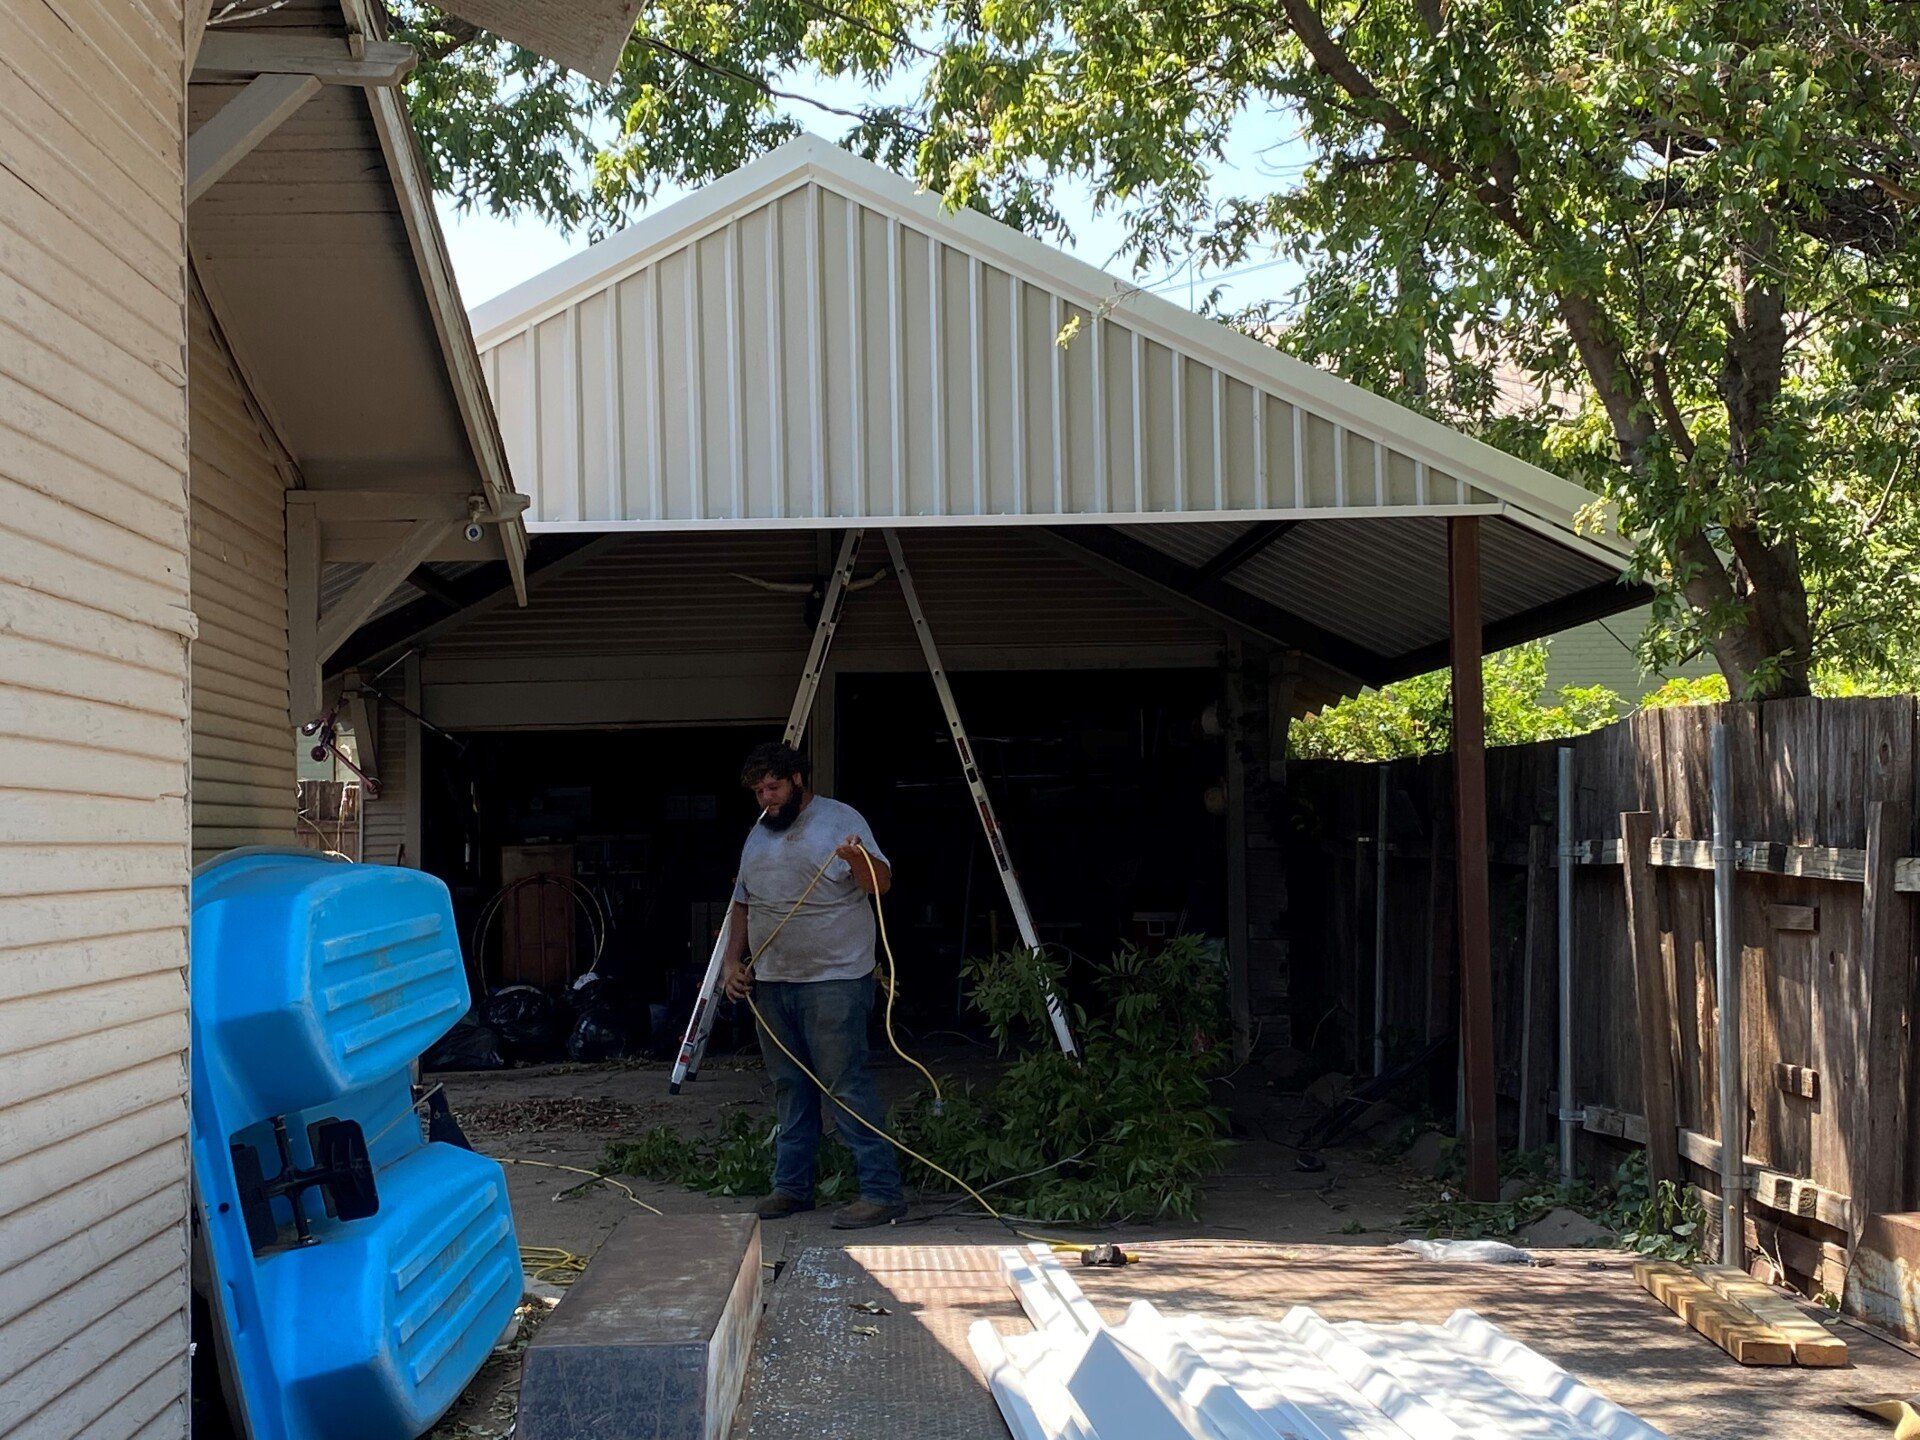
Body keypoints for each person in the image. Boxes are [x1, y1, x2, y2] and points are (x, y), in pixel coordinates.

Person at [721, 740, 906, 1228]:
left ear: (797, 780)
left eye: (774, 787)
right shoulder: (758, 833)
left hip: (835, 978)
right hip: (774, 980)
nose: (766, 798)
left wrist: (858, 858)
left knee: (845, 1083)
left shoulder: (839, 820)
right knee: (789, 1086)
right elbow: (743, 902)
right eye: (759, 790)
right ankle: (792, 1187)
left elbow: (880, 883)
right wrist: (730, 964)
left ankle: (881, 1192)